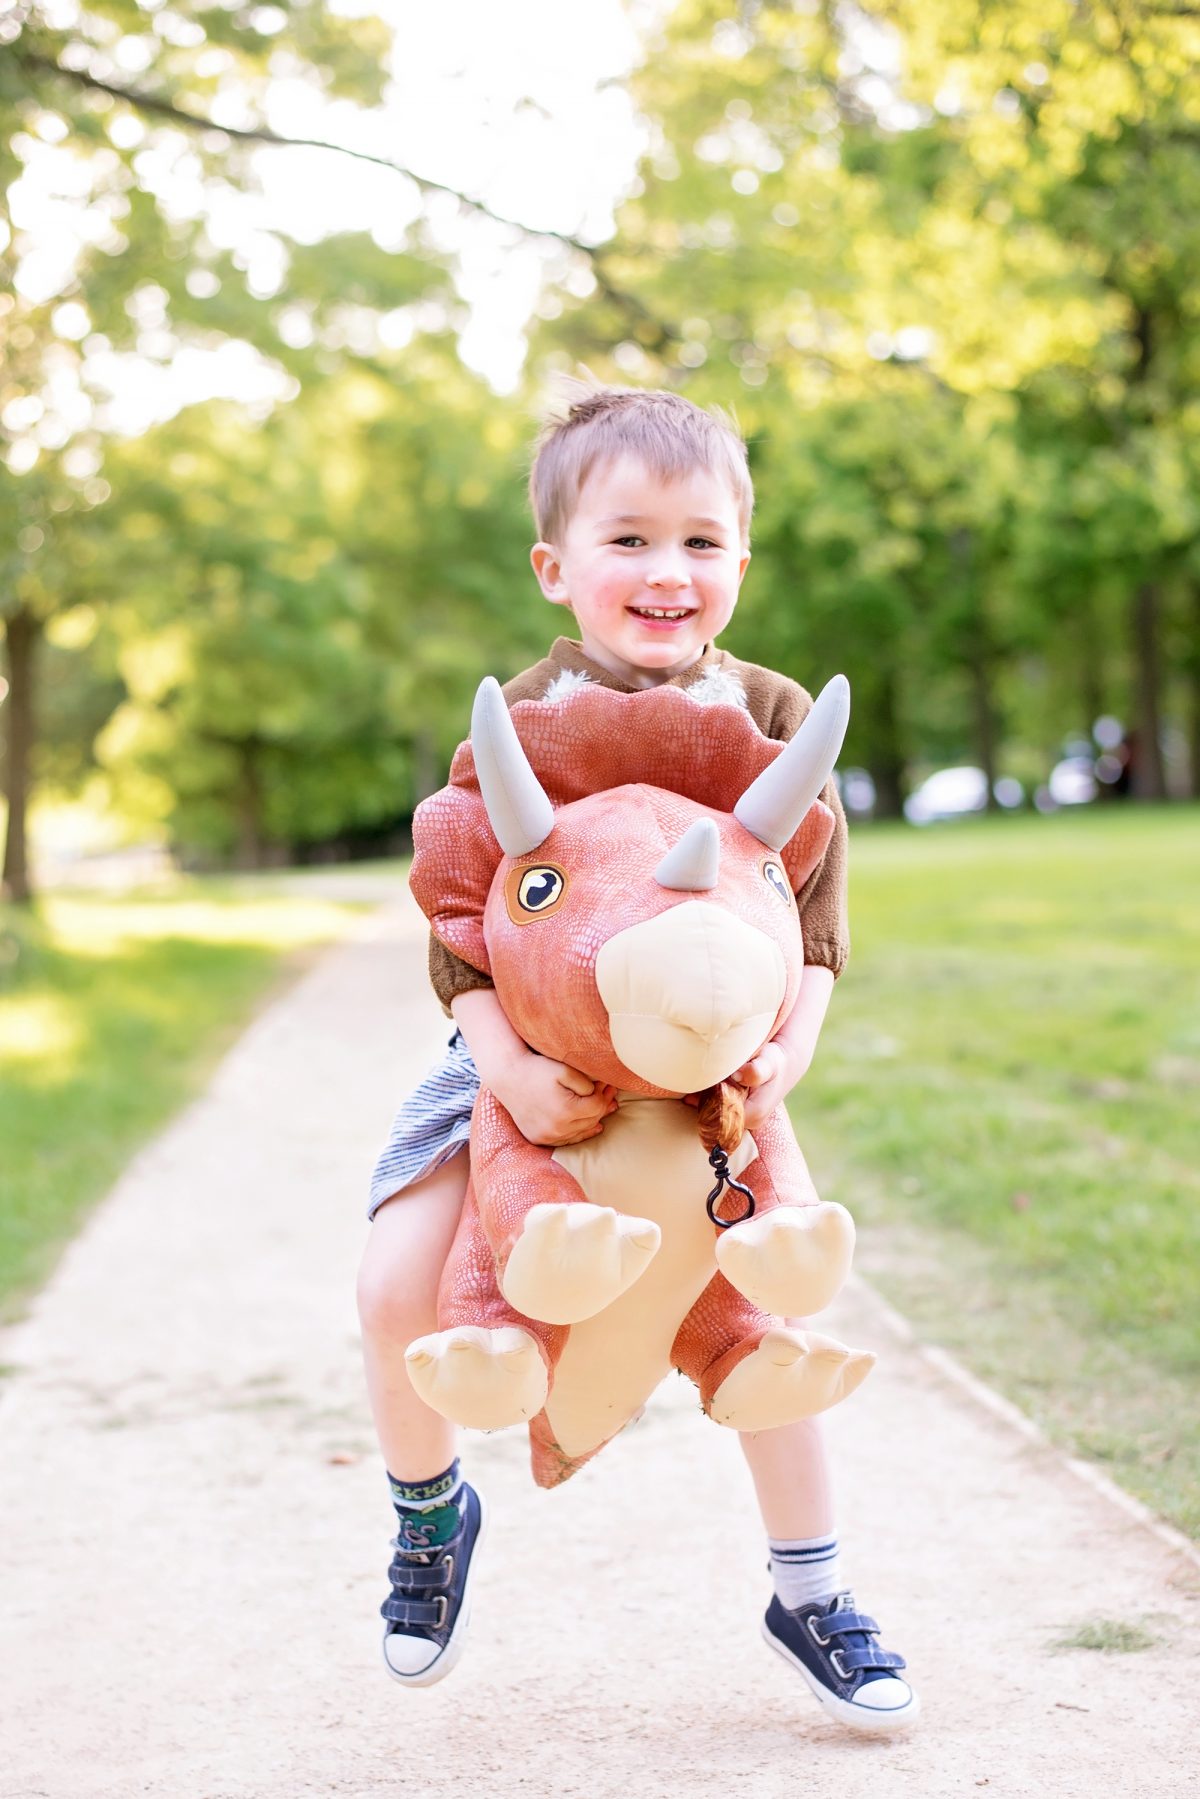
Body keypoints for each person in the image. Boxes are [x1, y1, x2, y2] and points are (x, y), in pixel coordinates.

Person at [356, 383, 918, 1733]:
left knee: (765, 1316)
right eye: (630, 541)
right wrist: (504, 1067)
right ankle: (430, 1517)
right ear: (557, 565)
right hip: (529, 1052)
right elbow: (460, 935)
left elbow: (817, 920)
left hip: (713, 1063)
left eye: (703, 541)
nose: (669, 573)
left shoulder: (774, 712)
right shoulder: (524, 717)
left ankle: (812, 1591)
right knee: (394, 1285)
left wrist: (790, 1046)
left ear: (740, 558)